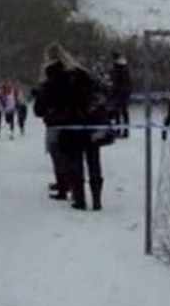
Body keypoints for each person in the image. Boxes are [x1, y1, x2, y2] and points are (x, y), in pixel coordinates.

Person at [33, 44, 110, 211]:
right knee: (94, 161)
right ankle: (97, 199)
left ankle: (80, 199)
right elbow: (100, 92)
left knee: (75, 163)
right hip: (90, 123)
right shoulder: (82, 73)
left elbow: (39, 109)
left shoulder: (50, 78)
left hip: (67, 125)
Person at [111, 52, 132, 139]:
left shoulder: (120, 68)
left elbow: (117, 81)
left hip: (120, 93)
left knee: (121, 112)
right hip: (122, 93)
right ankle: (122, 130)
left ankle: (122, 131)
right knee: (121, 112)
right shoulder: (122, 68)